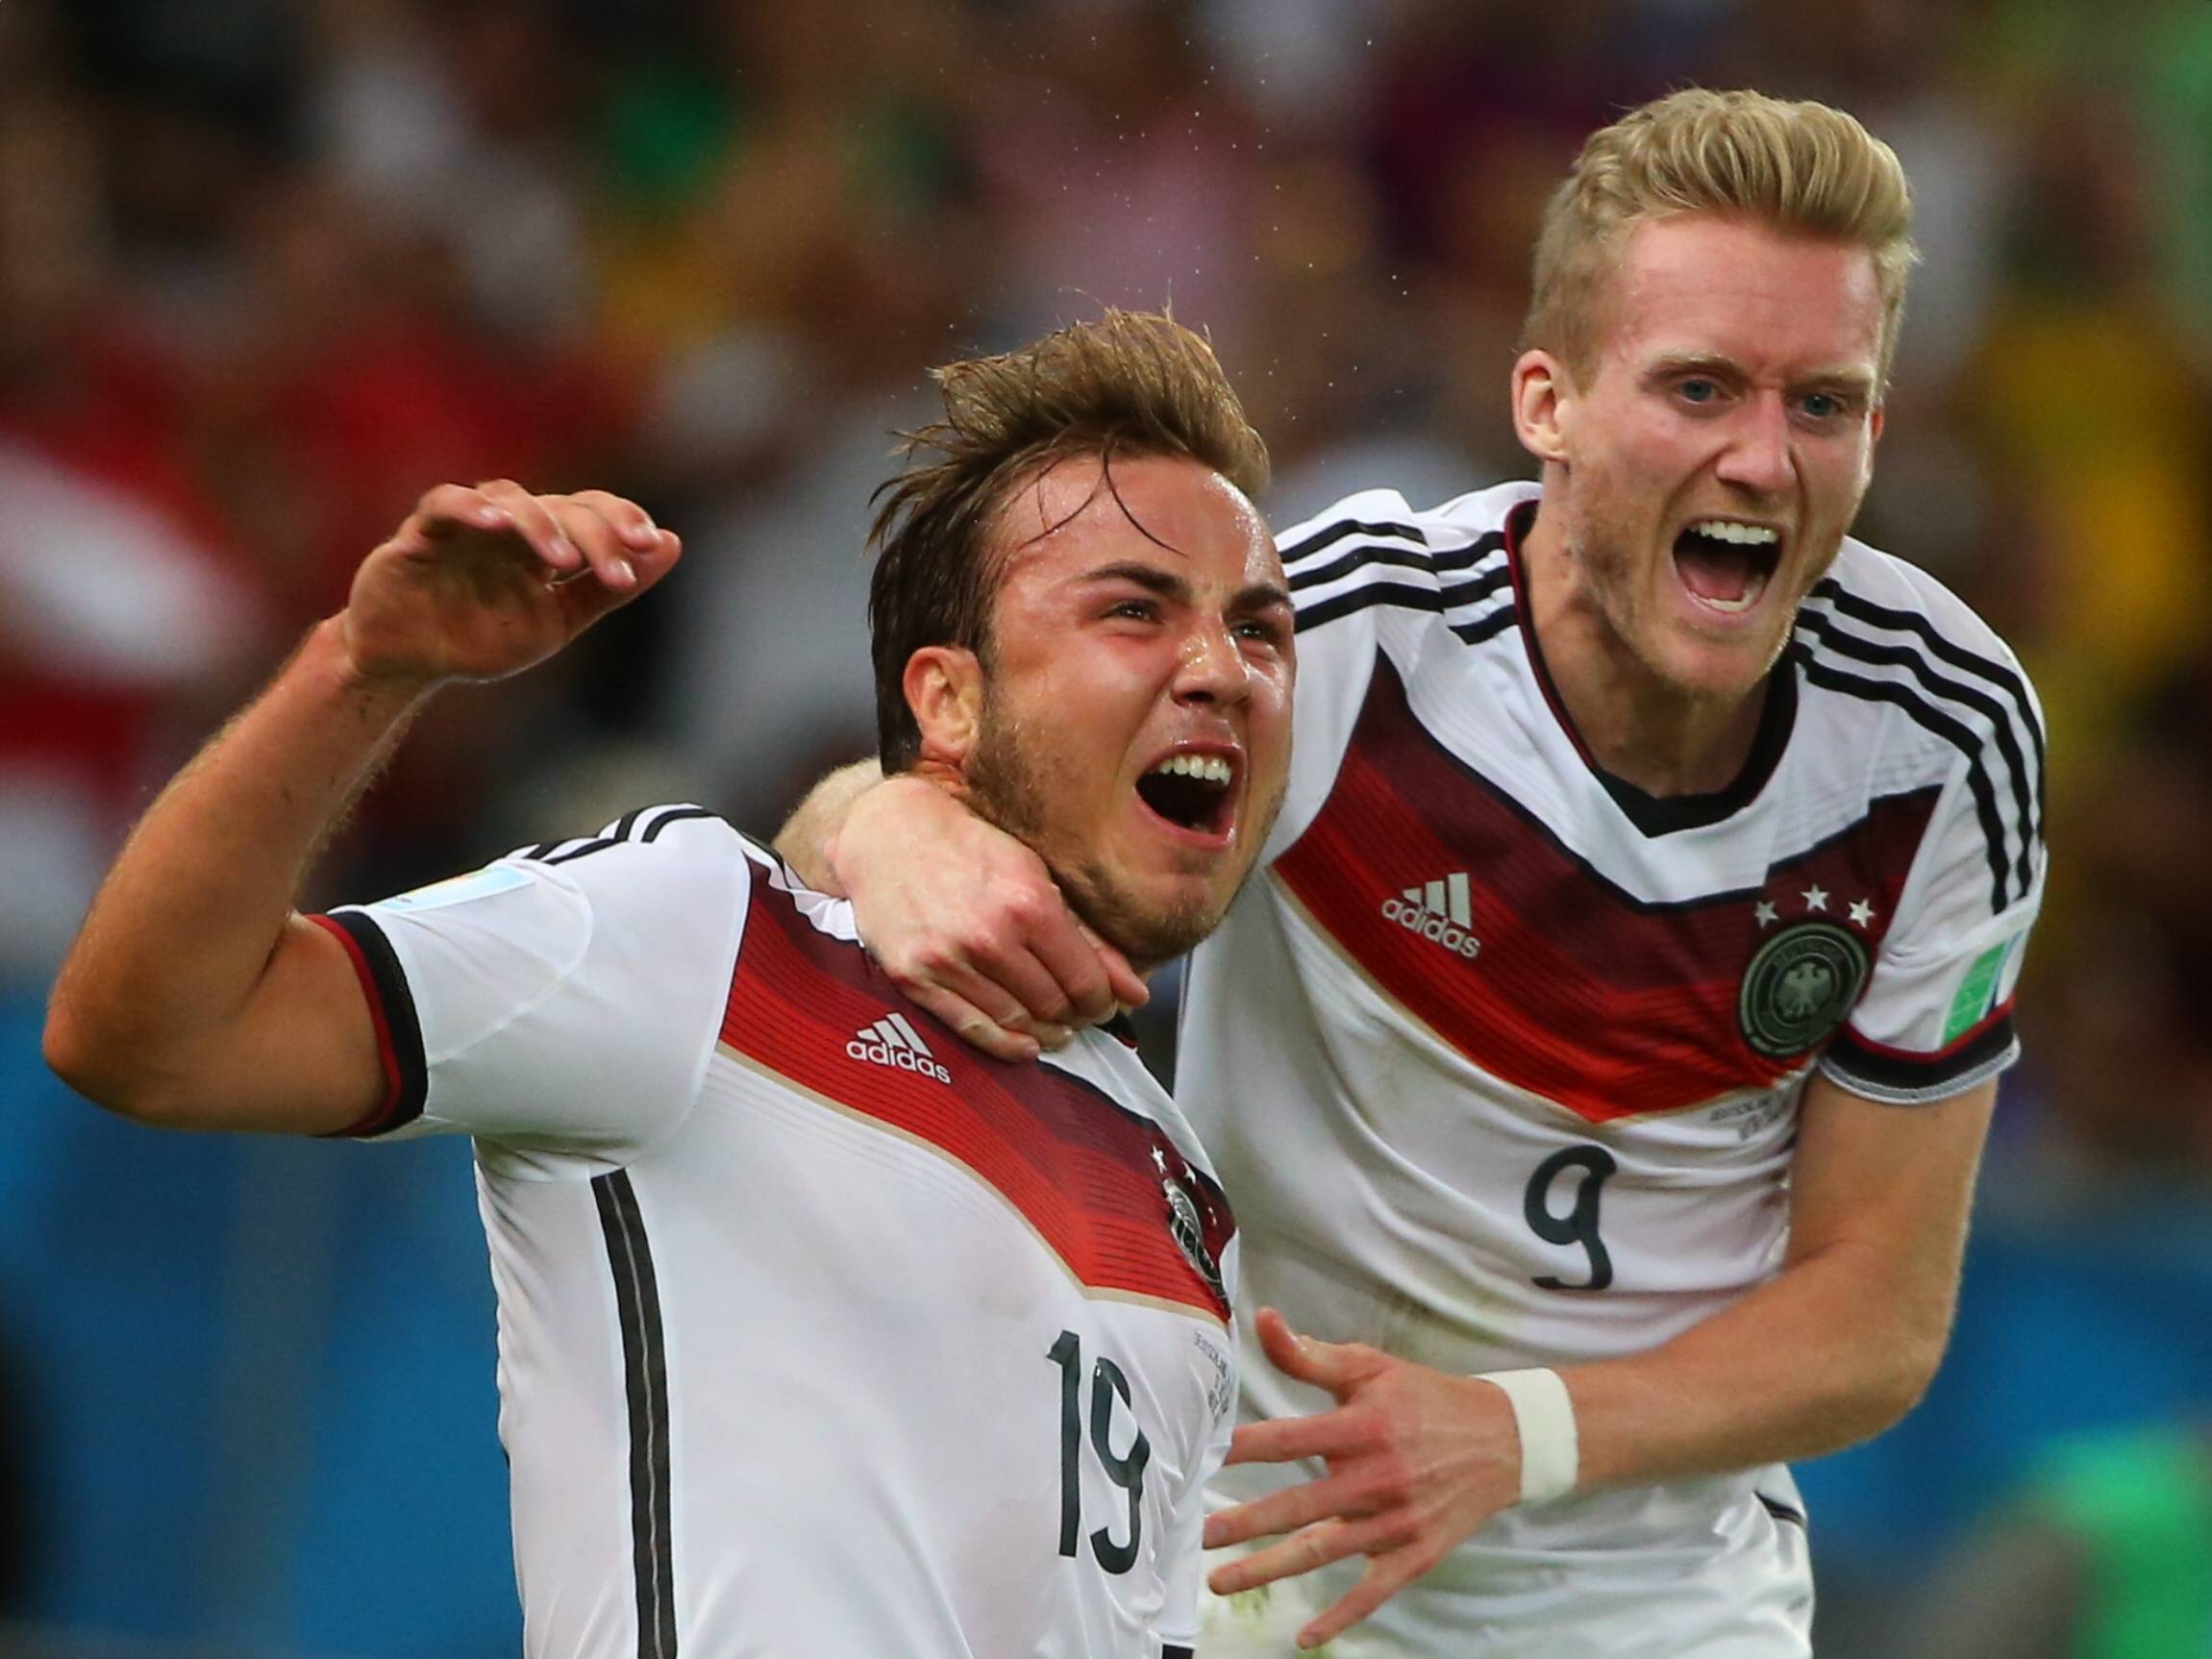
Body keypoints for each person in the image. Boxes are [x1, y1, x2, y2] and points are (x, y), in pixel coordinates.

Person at [779, 89, 2048, 1656]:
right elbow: (903, 812)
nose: (1759, 460)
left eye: (1822, 405)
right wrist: (892, 827)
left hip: (1665, 1609)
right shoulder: (1331, 642)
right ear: (1546, 401)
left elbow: (1875, 1315)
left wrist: (1512, 1429)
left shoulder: (1942, 742)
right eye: (1699, 388)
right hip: (1243, 1568)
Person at [43, 310, 1299, 1656]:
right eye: (1133, 608)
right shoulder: (700, 934)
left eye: (1260, 629)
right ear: (946, 700)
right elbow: (148, 1034)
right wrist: (366, 667)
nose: (1222, 669)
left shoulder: (1180, 1191)